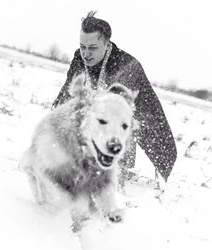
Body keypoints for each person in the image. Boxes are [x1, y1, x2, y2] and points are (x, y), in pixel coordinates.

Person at [52, 11, 177, 183]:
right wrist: (53, 126)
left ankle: (119, 178)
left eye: (93, 48)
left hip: (141, 115)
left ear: (106, 44)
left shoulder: (126, 65)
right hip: (110, 107)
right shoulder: (79, 58)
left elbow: (117, 112)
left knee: (119, 123)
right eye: (83, 47)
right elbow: (68, 93)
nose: (86, 54)